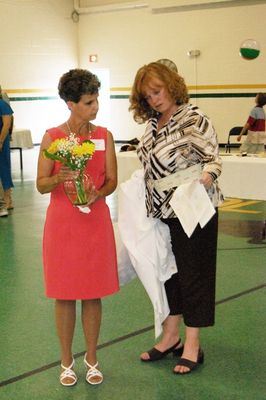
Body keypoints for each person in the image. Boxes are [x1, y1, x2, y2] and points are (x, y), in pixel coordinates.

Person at [128, 62, 223, 374]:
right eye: (147, 96)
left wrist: (208, 175)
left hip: (192, 206)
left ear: (171, 85)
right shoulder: (153, 124)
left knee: (195, 275)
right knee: (168, 273)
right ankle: (170, 336)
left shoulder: (194, 118)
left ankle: (192, 344)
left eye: (157, 91)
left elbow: (213, 158)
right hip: (159, 210)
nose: (154, 99)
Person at [36, 69, 119, 386]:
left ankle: (93, 358)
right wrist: (61, 177)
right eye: (88, 102)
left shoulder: (103, 136)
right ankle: (66, 359)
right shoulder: (52, 138)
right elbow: (42, 184)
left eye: (97, 99)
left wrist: (100, 192)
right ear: (70, 103)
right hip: (63, 225)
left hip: (95, 222)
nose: (95, 107)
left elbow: (111, 179)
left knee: (93, 293)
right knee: (65, 294)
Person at [0, 86, 14, 217]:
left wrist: (0, 141)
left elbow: (6, 124)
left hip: (1, 143)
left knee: (3, 170)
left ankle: (6, 201)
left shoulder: (2, 105)